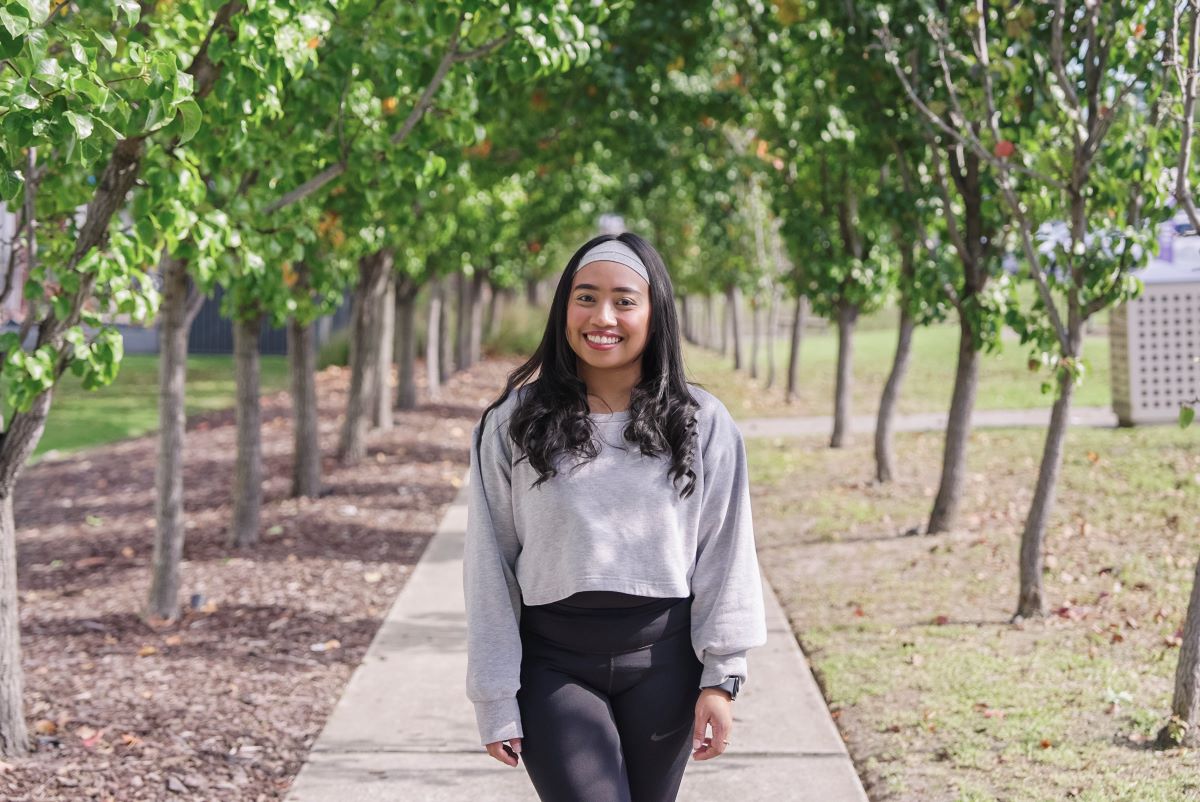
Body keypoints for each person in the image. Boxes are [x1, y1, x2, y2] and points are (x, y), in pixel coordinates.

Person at [463, 231, 767, 802]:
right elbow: (490, 566)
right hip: (554, 666)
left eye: (625, 300)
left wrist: (721, 677)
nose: (603, 316)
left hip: (666, 666)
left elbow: (725, 552)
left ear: (655, 314)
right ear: (563, 309)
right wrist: (495, 695)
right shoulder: (513, 423)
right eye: (586, 296)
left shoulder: (702, 422)